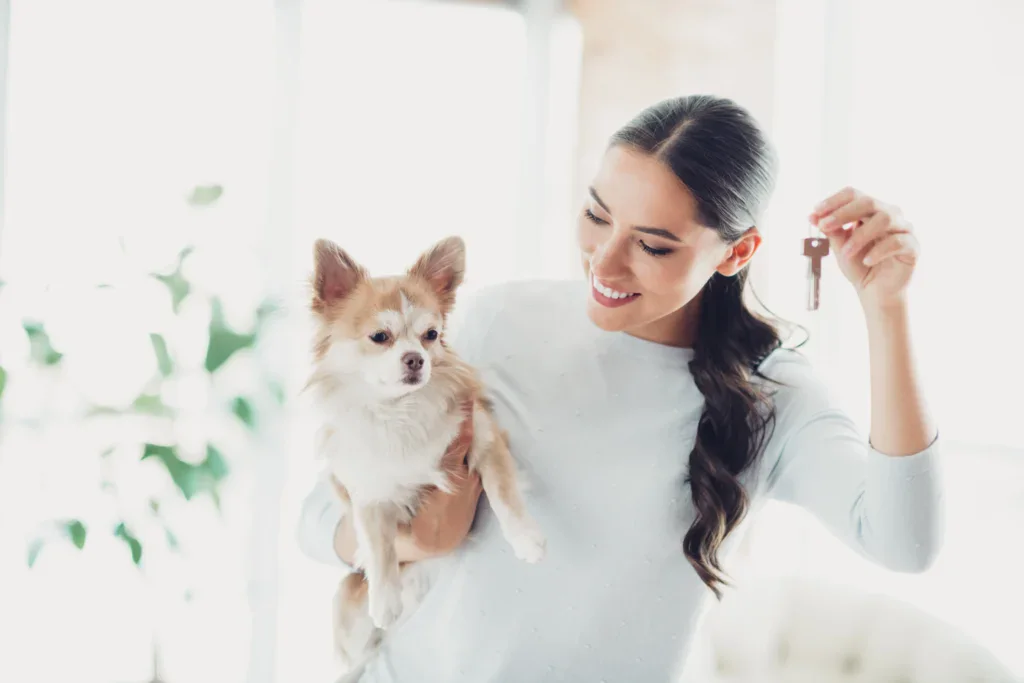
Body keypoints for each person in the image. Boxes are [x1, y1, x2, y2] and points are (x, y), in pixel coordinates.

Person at [295, 94, 943, 682]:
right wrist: (408, 540)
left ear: (735, 253)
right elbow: (316, 513)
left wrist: (888, 312)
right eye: (597, 215)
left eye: (653, 245)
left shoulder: (772, 394)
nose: (603, 262)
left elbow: (902, 540)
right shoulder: (491, 322)